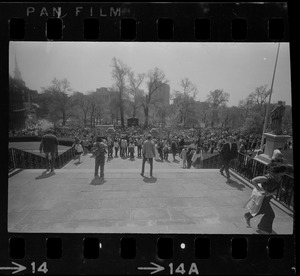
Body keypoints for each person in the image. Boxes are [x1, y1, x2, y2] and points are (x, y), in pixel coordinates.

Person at [244, 163, 288, 234]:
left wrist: (280, 188)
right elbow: (253, 180)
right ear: (280, 172)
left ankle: (248, 216)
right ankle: (263, 228)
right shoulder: (268, 177)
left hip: (268, 197)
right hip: (263, 197)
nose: (285, 173)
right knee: (271, 214)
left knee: (261, 209)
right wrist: (260, 190)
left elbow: (277, 184)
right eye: (284, 172)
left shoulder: (279, 177)